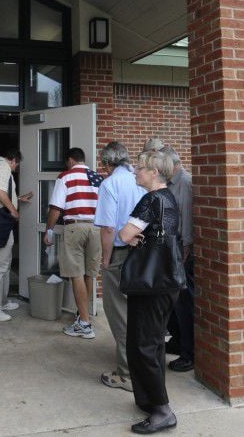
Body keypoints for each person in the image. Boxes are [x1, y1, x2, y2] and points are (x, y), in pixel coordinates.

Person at [119, 150, 180, 434]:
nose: (136, 172)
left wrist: (133, 239)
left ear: (154, 172)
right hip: (163, 282)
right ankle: (151, 401)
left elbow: (124, 234)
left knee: (144, 345)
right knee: (151, 344)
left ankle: (161, 410)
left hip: (150, 283)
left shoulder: (151, 199)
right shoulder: (169, 199)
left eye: (140, 168)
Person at [94, 142, 145, 391]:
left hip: (119, 253)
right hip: (143, 252)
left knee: (118, 312)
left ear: (106, 163)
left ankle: (126, 373)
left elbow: (107, 227)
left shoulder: (110, 184)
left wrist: (105, 259)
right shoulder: (139, 180)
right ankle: (142, 365)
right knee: (137, 311)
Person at [44, 147, 102, 339]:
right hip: (96, 228)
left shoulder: (66, 177)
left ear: (70, 160)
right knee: (88, 273)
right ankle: (83, 315)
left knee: (76, 273)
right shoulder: (97, 177)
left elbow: (56, 208)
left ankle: (84, 324)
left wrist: (49, 230)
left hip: (75, 226)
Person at [0, 149, 32, 322]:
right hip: (0, 223)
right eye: (16, 164)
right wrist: (13, 210)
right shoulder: (2, 167)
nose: (16, 168)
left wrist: (18, 199)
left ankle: (1, 302)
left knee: (3, 264)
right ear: (12, 160)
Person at [160, 145, 194, 372]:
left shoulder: (186, 183)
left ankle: (189, 354)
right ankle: (177, 340)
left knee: (184, 303)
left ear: (172, 164)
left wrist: (185, 252)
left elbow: (188, 219)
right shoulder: (171, 183)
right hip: (171, 248)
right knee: (170, 301)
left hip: (183, 251)